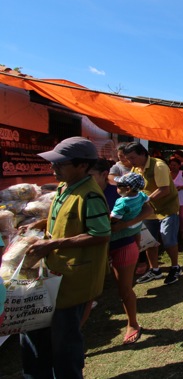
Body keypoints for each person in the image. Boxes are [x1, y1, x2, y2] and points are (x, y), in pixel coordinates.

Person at [21, 137, 111, 378]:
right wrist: (40, 224)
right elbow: (62, 217)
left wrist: (55, 244)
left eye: (60, 164)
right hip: (54, 273)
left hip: (73, 279)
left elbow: (101, 234)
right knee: (36, 333)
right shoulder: (64, 188)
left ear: (82, 166)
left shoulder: (90, 196)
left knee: (65, 340)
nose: (54, 168)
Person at [124, 142, 182, 285]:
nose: (131, 161)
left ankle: (175, 267)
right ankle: (155, 269)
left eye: (133, 157)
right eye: (128, 158)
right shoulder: (135, 169)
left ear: (143, 154)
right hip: (148, 210)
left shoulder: (159, 166)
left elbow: (165, 189)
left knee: (168, 239)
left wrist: (145, 200)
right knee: (150, 241)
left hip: (167, 209)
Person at [110, 172, 148, 344]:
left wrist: (121, 223)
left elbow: (113, 220)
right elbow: (147, 202)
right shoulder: (140, 195)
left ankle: (132, 323)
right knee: (126, 286)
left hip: (121, 239)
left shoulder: (122, 201)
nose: (116, 188)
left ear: (127, 188)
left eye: (119, 186)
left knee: (125, 287)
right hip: (134, 232)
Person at [169, 158, 183, 240]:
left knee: (182, 216)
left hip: (182, 197)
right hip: (171, 198)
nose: (172, 167)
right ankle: (173, 231)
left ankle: (182, 231)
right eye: (171, 165)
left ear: (179, 165)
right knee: (172, 216)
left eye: (174, 165)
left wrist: (181, 187)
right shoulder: (167, 174)